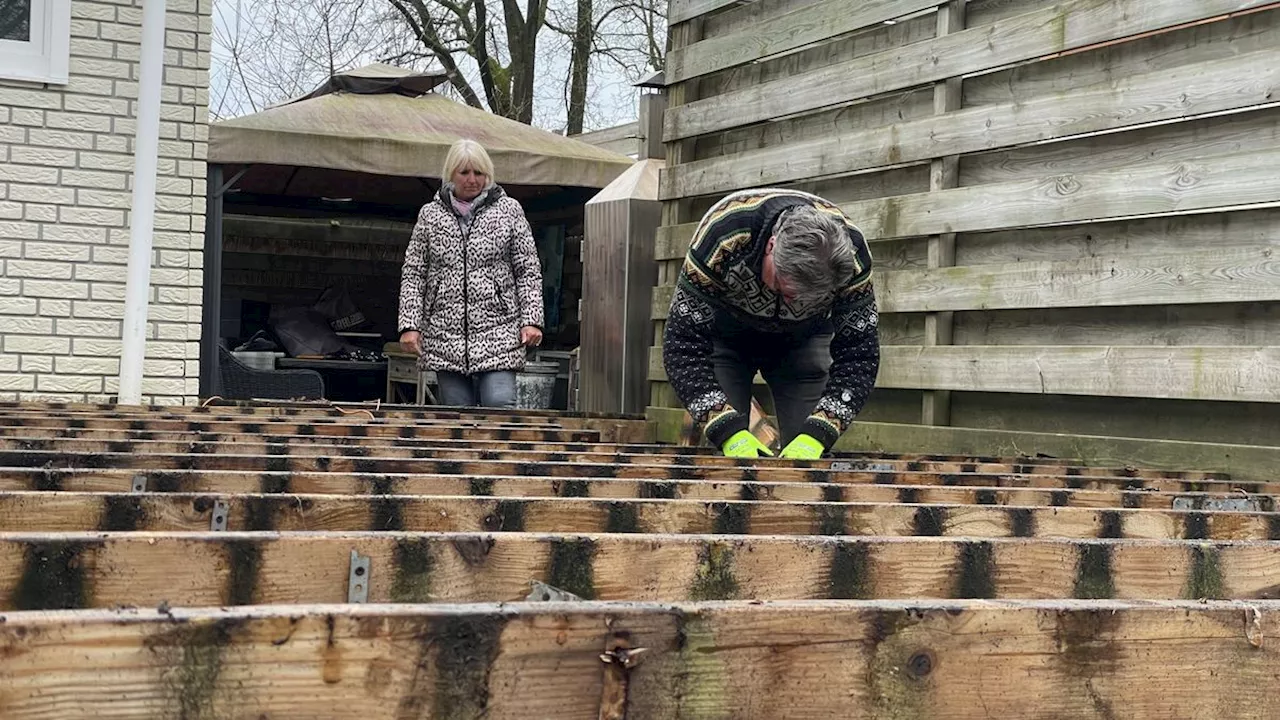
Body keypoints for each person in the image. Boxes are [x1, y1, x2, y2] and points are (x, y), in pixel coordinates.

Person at [662, 188, 880, 459]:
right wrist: (726, 432)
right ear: (771, 245)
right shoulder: (723, 234)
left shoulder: (852, 259)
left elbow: (859, 355)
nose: (791, 303)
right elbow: (682, 346)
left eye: (805, 298)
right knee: (720, 451)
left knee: (810, 453)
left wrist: (820, 433)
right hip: (728, 338)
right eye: (783, 288)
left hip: (804, 340)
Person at [397, 139, 544, 408]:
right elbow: (414, 273)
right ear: (451, 174)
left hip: (499, 330)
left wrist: (532, 320)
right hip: (445, 332)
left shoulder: (510, 211)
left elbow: (528, 270)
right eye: (465, 172)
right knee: (455, 415)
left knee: (499, 406)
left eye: (479, 173)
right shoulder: (430, 215)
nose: (472, 180)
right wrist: (410, 326)